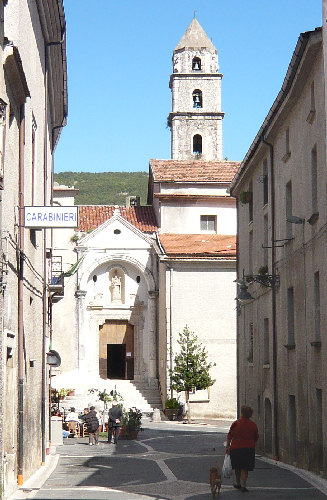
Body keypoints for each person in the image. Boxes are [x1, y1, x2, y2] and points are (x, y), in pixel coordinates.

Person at [225, 405, 259, 493]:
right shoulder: (253, 425)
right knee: (245, 467)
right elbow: (256, 437)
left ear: (242, 413)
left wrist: (228, 446)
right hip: (248, 448)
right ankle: (244, 485)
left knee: (237, 466)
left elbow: (230, 435)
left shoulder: (236, 423)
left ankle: (238, 483)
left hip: (236, 447)